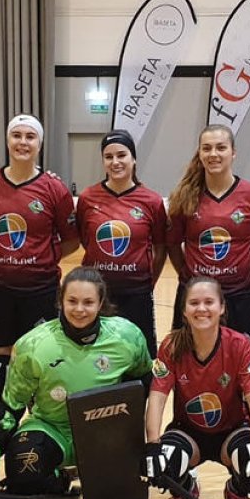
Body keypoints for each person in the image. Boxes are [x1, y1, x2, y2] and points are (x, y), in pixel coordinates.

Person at [0, 113, 80, 486]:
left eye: (30, 136)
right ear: (7, 141)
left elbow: (70, 238)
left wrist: (38, 262)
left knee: (38, 368)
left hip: (39, 293)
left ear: (40, 143)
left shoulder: (54, 189)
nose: (22, 142)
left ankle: (34, 449)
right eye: (16, 135)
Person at [0, 267, 153, 499]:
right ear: (60, 301)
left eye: (88, 302)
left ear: (100, 303)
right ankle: (62, 486)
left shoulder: (127, 336)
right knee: (24, 471)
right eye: (72, 301)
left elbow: (144, 381)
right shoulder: (33, 345)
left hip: (104, 433)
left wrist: (130, 437)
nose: (79, 309)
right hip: (52, 428)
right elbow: (10, 408)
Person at [144, 277, 250, 499]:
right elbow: (157, 396)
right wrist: (152, 445)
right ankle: (187, 491)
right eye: (193, 303)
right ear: (184, 310)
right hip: (189, 431)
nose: (201, 308)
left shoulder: (240, 344)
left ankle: (236, 492)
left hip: (232, 431)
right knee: (165, 459)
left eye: (208, 302)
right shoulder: (172, 345)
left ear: (222, 307)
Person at [167, 124, 250, 358]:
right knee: (188, 361)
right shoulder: (185, 196)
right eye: (207, 148)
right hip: (195, 297)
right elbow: (173, 245)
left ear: (233, 152)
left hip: (239, 296)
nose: (213, 154)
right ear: (200, 153)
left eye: (220, 148)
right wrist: (189, 275)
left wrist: (244, 269)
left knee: (243, 364)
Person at [76, 129, 168, 352]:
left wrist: (147, 281)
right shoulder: (88, 198)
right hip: (98, 293)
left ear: (133, 159)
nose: (115, 162)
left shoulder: (151, 201)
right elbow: (85, 239)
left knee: (138, 354)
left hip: (137, 294)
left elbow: (160, 247)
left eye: (121, 155)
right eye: (109, 157)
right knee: (95, 354)